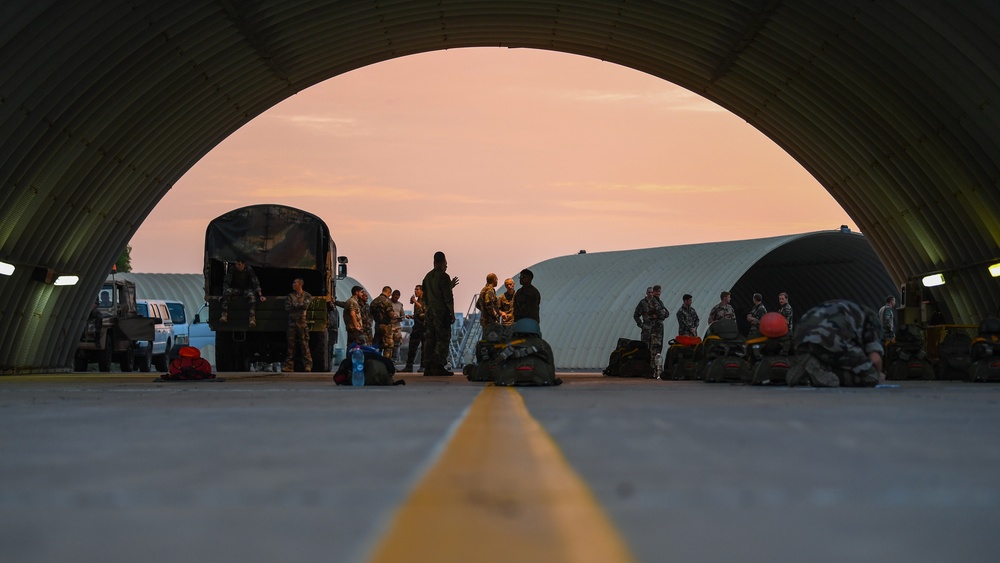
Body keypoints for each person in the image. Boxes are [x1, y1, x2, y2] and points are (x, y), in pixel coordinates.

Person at [786, 299, 885, 387]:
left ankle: (809, 367)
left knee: (833, 356)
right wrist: (878, 375)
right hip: (830, 337)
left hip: (800, 336)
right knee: (871, 378)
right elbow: (875, 359)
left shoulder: (844, 307)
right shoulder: (872, 319)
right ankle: (821, 369)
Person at [421, 251, 457, 376]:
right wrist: (452, 313)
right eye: (446, 262)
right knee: (443, 338)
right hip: (441, 312)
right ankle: (438, 365)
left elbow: (425, 296)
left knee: (430, 338)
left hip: (430, 311)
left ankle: (428, 366)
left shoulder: (427, 276)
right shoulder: (443, 276)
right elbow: (448, 297)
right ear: (443, 262)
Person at [220, 258, 265, 327]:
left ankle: (252, 318)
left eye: (239, 264)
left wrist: (260, 295)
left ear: (243, 264)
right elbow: (226, 282)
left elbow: (255, 282)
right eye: (236, 264)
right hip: (236, 289)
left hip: (246, 289)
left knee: (252, 297)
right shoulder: (232, 269)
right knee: (226, 292)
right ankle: (224, 315)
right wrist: (223, 294)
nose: (237, 266)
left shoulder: (249, 269)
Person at [634, 285, 670, 371]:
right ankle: (645, 368)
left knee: (656, 348)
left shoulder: (659, 302)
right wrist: (641, 325)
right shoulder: (643, 303)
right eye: (649, 292)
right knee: (646, 349)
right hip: (647, 329)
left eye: (652, 292)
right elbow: (636, 315)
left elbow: (666, 313)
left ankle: (654, 368)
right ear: (647, 293)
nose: (651, 294)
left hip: (656, 329)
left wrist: (659, 315)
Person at [281, 278, 313, 372]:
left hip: (302, 322)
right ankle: (289, 366)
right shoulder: (290, 296)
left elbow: (305, 305)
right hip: (292, 322)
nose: (293, 284)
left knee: (304, 344)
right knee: (291, 345)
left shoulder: (307, 295)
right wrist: (299, 305)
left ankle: (308, 365)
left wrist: (295, 304)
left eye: (295, 283)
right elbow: (287, 307)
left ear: (300, 284)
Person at [401, 284, 425, 372]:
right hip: (417, 326)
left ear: (422, 291)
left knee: (424, 347)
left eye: (417, 289)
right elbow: (419, 313)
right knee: (412, 347)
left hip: (424, 326)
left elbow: (425, 309)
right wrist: (412, 317)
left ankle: (423, 366)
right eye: (415, 289)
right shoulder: (418, 300)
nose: (415, 291)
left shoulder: (425, 300)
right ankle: (409, 366)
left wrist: (414, 301)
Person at [370, 286, 395, 359]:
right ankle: (386, 363)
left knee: (377, 345)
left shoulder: (374, 301)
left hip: (377, 325)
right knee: (389, 346)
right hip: (386, 326)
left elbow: (370, 313)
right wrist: (394, 316)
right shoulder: (386, 301)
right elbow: (391, 314)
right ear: (388, 292)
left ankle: (375, 361)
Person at [390, 289, 405, 362]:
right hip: (389, 326)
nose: (396, 299)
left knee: (397, 344)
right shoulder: (387, 303)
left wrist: (400, 318)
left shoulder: (400, 305)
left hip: (397, 327)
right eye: (395, 297)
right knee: (389, 344)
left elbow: (403, 315)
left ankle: (394, 360)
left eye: (398, 298)